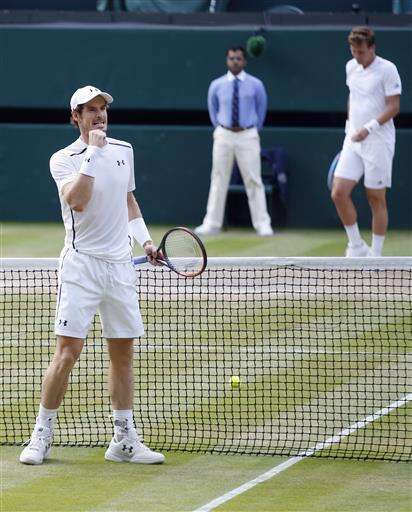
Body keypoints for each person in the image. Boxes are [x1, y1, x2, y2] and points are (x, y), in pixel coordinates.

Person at [20, 85, 165, 465]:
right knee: (67, 353)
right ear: (76, 117)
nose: (99, 115)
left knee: (123, 355)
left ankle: (123, 441)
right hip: (81, 268)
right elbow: (78, 201)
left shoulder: (125, 150)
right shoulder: (62, 159)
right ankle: (41, 436)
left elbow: (128, 201)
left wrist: (146, 241)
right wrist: (95, 153)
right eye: (90, 110)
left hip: (120, 268)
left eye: (103, 109)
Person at [331, 27, 401, 257]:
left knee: (375, 197)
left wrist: (368, 128)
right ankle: (357, 246)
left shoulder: (388, 69)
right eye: (353, 51)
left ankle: (376, 256)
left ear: (372, 47)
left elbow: (394, 107)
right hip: (353, 140)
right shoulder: (350, 67)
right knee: (338, 193)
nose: (357, 56)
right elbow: (354, 97)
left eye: (361, 51)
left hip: (378, 142)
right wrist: (350, 126)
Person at [195, 46, 274, 237]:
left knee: (253, 179)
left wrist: (252, 129)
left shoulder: (256, 85)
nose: (235, 61)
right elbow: (213, 109)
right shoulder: (216, 85)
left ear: (244, 61)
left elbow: (261, 109)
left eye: (238, 58)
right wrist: (220, 128)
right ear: (227, 60)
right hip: (224, 134)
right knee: (218, 178)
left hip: (248, 134)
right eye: (231, 58)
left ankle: (262, 224)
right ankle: (212, 223)